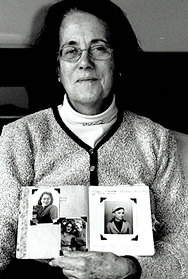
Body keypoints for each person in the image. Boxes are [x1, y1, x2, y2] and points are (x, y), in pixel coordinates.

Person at [0, 0, 187, 278]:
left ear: (118, 61)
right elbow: (3, 230)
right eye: (71, 50)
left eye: (99, 49)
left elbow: (182, 240)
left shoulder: (155, 140)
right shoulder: (21, 137)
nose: (85, 62)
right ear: (57, 69)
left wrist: (129, 268)